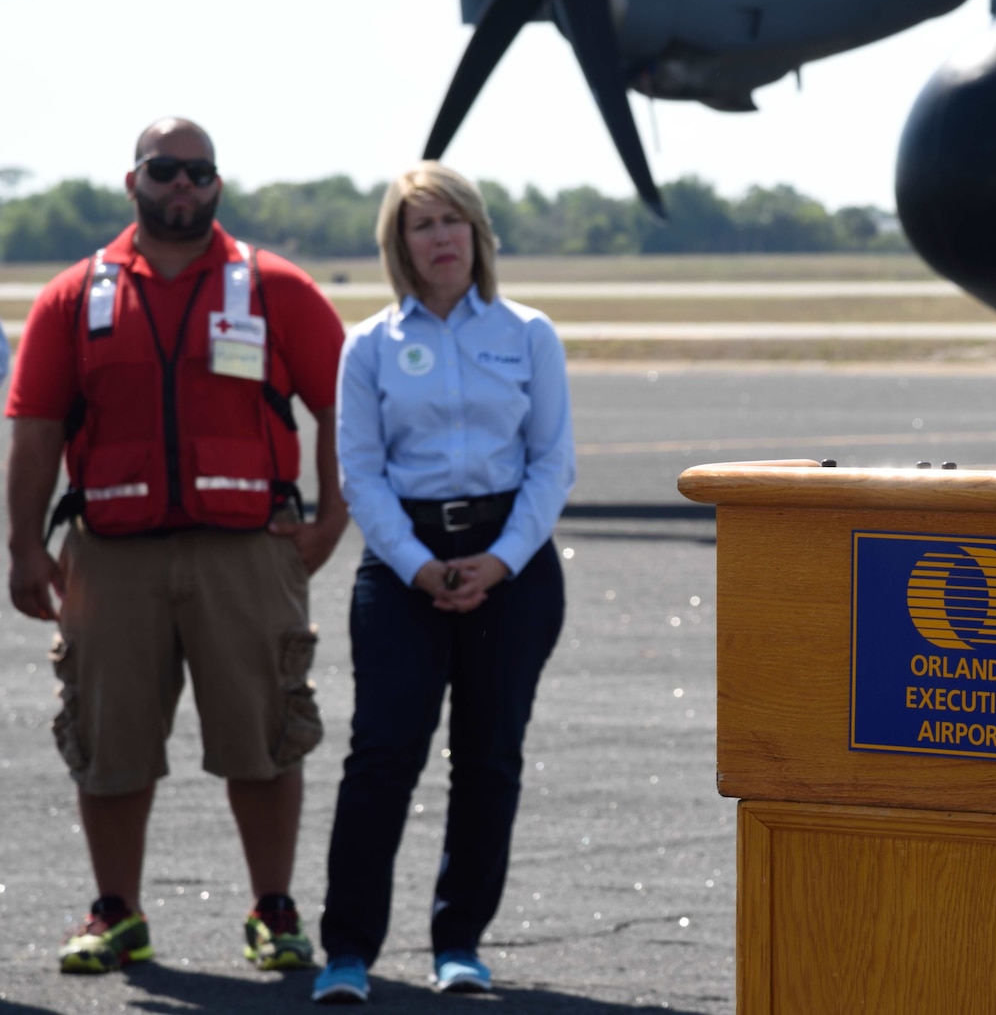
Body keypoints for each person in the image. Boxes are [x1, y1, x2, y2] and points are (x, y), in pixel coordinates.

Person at [4, 118, 348, 975]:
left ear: (217, 184)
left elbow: (346, 404)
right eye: (167, 170)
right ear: (135, 181)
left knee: (264, 735)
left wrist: (331, 519)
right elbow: (35, 430)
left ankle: (274, 910)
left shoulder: (275, 288)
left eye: (200, 172)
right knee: (106, 741)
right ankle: (116, 911)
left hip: (247, 552)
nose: (184, 186)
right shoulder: (74, 295)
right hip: (110, 553)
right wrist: (22, 546)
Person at [315, 162, 574, 1004]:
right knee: (382, 758)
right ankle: (348, 950)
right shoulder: (369, 346)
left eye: (454, 220)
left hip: (513, 559)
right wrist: (420, 565)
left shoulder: (528, 332)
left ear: (478, 234)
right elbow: (360, 472)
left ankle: (458, 941)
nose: (442, 238)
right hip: (404, 565)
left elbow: (552, 462)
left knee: (489, 758)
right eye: (422, 224)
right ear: (400, 243)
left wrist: (498, 560)